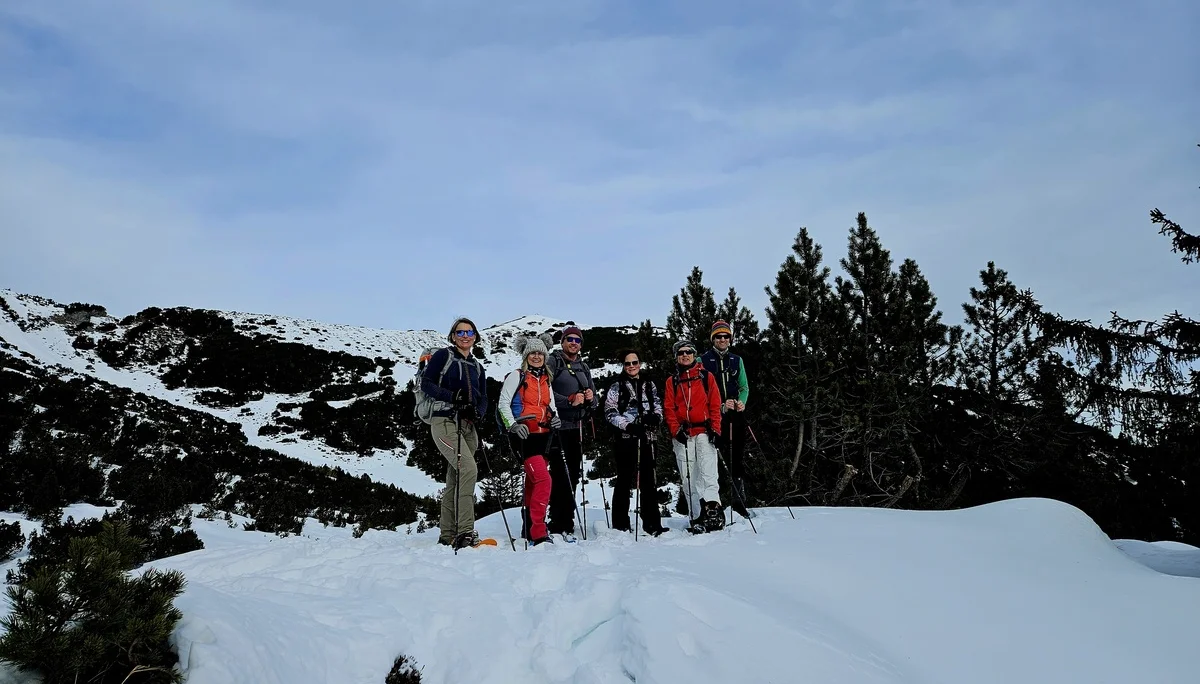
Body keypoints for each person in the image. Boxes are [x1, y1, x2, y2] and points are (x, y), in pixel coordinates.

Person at [420, 317, 489, 549]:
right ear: (452, 336)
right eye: (460, 332)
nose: (465, 336)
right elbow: (426, 383)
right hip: (445, 421)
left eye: (469, 332)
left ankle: (447, 534)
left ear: (475, 337)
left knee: (456, 478)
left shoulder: (477, 367)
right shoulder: (443, 356)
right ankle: (465, 532)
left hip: (468, 426)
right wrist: (453, 397)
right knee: (468, 469)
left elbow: (484, 397)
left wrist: (478, 412)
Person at [497, 333, 561, 546]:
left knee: (533, 483)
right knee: (544, 480)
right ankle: (539, 532)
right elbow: (503, 403)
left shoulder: (546, 379)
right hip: (524, 437)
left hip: (544, 436)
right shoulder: (517, 376)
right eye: (532, 352)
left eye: (540, 353)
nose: (536, 356)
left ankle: (528, 529)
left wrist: (555, 419)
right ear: (525, 356)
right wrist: (513, 426)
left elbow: (550, 406)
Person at [603, 349, 668, 537]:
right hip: (626, 438)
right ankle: (620, 524)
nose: (632, 366)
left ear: (640, 363)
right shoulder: (617, 385)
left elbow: (657, 404)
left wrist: (656, 417)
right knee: (624, 480)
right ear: (623, 365)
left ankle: (652, 523)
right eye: (627, 363)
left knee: (649, 480)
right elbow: (609, 411)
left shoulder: (649, 383)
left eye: (635, 362)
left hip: (648, 437)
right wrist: (628, 426)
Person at [663, 340, 724, 533]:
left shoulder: (706, 377)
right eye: (681, 352)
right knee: (688, 476)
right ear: (676, 356)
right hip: (684, 434)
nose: (685, 355)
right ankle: (696, 515)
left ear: (694, 354)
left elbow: (715, 404)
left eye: (688, 351)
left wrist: (716, 429)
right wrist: (675, 430)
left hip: (705, 432)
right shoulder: (672, 381)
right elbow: (669, 409)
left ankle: (713, 511)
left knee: (708, 473)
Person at [545, 324, 598, 541]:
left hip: (577, 427)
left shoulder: (583, 366)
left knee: (573, 474)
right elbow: (544, 392)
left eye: (577, 340)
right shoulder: (554, 361)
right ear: (562, 342)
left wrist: (590, 398)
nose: (573, 343)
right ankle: (556, 520)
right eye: (570, 339)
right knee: (559, 474)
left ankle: (567, 519)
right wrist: (568, 400)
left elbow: (595, 397)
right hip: (558, 427)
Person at [700, 320, 753, 518]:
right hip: (713, 417)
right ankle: (715, 502)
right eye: (718, 336)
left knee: (737, 457)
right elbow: (700, 392)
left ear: (730, 338)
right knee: (714, 459)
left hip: (735, 415)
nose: (722, 340)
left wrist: (741, 402)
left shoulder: (736, 360)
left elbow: (744, 387)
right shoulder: (703, 360)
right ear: (712, 338)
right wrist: (720, 405)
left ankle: (739, 501)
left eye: (726, 336)